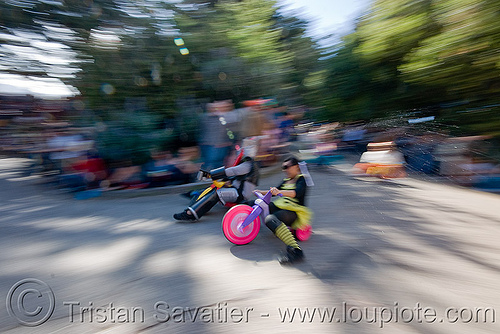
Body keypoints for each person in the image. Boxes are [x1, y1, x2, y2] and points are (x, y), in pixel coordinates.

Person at [173, 144, 259, 221]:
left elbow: (232, 171)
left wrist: (209, 175)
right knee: (215, 186)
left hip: (240, 195)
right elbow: (235, 176)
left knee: (218, 193)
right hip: (236, 190)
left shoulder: (248, 165)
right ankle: (197, 198)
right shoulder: (248, 165)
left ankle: (191, 214)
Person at [255, 156, 312, 264]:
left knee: (270, 219)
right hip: (282, 205)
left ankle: (296, 250)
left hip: (295, 211)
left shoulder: (302, 179)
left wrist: (280, 192)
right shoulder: (287, 180)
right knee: (259, 205)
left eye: (286, 167)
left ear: (296, 167)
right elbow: (274, 191)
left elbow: (295, 193)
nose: (284, 170)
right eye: (283, 167)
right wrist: (259, 191)